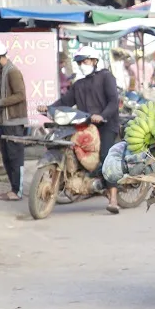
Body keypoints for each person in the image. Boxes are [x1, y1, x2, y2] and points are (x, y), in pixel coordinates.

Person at [41, 46, 121, 213]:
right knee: (70, 147)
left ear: (94, 61)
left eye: (85, 61)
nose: (82, 65)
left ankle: (113, 198)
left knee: (106, 156)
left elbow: (114, 102)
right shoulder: (79, 84)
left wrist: (102, 115)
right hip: (86, 125)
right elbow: (66, 101)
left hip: (106, 124)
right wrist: (48, 108)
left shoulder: (106, 77)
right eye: (79, 62)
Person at [0, 42, 27, 201]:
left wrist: (1, 102)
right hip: (4, 122)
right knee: (7, 157)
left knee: (16, 157)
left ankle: (18, 191)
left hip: (14, 122)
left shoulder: (12, 72)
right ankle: (13, 189)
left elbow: (20, 95)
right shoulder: (2, 71)